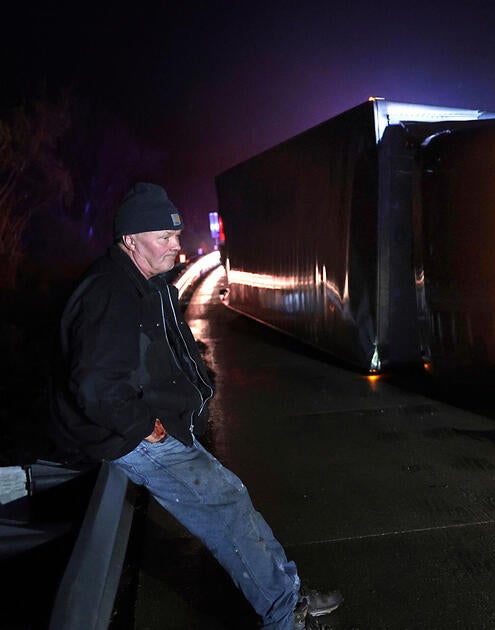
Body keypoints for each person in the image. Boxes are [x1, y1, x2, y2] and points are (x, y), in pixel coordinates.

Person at [50, 182, 342, 629]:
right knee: (224, 506)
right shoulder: (109, 293)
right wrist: (147, 426)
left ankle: (288, 590)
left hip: (158, 420)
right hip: (129, 433)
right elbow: (94, 385)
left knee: (232, 497)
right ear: (131, 240)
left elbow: (174, 344)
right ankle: (286, 615)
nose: (176, 245)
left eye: (177, 235)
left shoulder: (151, 281)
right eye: (163, 237)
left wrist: (198, 385)